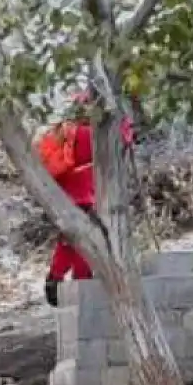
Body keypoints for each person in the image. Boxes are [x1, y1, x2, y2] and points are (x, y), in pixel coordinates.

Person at [38, 89, 135, 307]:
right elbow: (121, 140)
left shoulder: (67, 133)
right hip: (84, 193)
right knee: (82, 240)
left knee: (72, 241)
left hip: (67, 192)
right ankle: (70, 280)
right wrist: (126, 125)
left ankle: (62, 280)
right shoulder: (90, 134)